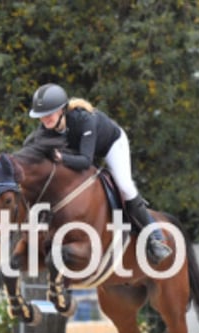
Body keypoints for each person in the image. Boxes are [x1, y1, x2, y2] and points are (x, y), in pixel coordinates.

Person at [26, 83, 173, 265]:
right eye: (41, 116)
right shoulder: (45, 129)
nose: (45, 119)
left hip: (111, 145)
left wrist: (60, 157)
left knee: (125, 185)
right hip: (82, 150)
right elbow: (30, 147)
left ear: (62, 110)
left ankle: (155, 237)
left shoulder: (84, 120)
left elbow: (86, 161)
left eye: (49, 114)